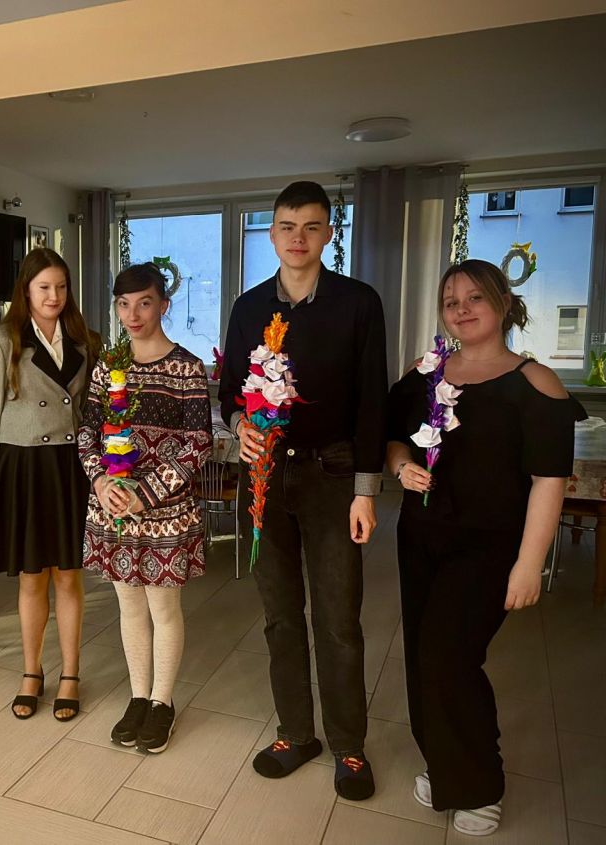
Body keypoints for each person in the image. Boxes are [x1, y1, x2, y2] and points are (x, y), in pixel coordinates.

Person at [387, 259, 578, 836]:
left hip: (489, 546)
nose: (461, 308)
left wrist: (529, 564)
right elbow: (392, 436)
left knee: (450, 657)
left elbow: (550, 480)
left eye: (474, 297)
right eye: (451, 300)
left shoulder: (536, 382)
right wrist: (400, 467)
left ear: (503, 303)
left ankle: (478, 783)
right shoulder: (426, 373)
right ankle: (443, 764)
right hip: (422, 536)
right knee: (422, 657)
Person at [218, 181, 387, 799]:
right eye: (288, 226)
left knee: (339, 619)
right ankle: (295, 732)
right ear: (271, 234)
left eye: (312, 226)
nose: (298, 238)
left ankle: (348, 745)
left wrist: (366, 490)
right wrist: (240, 426)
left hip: (334, 475)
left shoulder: (358, 303)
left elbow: (372, 401)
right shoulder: (249, 307)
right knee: (280, 616)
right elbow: (230, 391)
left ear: (328, 234)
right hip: (265, 478)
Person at [79, 262, 211, 753]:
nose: (132, 315)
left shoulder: (187, 368)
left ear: (163, 306)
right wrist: (99, 480)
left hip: (165, 513)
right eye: (123, 304)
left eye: (144, 303)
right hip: (113, 507)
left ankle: (162, 702)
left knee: (163, 607)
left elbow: (198, 443)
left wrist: (147, 491)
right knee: (128, 604)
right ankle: (137, 696)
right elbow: (87, 431)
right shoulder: (108, 366)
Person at [0, 247, 97, 720]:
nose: (54, 296)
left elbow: (87, 409)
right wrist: (16, 452)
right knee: (32, 576)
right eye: (44, 287)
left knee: (68, 575)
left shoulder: (84, 340)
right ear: (25, 290)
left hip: (69, 465)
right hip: (24, 465)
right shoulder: (1, 339)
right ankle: (31, 671)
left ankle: (70, 674)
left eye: (61, 287)